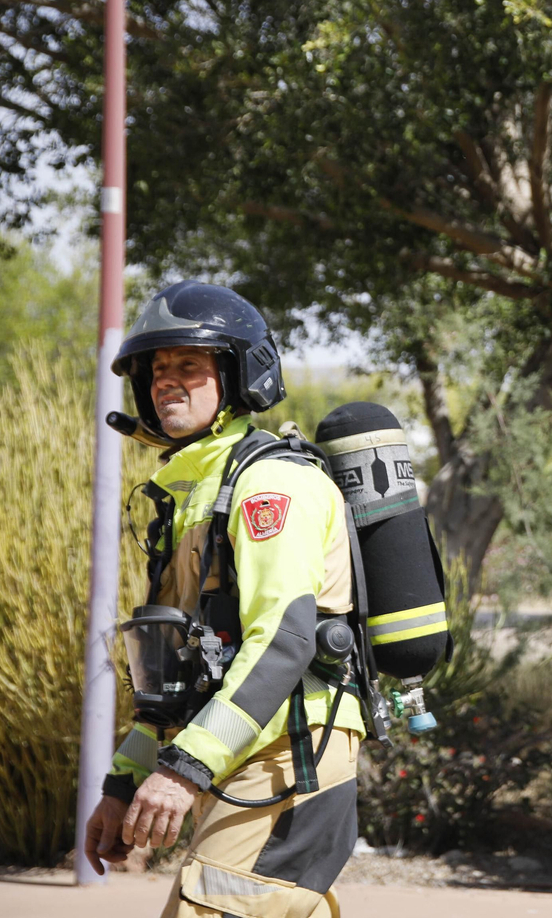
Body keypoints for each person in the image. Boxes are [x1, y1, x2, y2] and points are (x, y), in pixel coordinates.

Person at [82, 281, 364, 918]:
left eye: (190, 365)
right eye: (158, 370)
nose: (167, 383)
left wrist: (182, 770)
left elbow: (283, 643)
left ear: (239, 376)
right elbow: (176, 674)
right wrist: (124, 783)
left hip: (292, 753)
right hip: (231, 754)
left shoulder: (270, 484)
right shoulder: (190, 497)